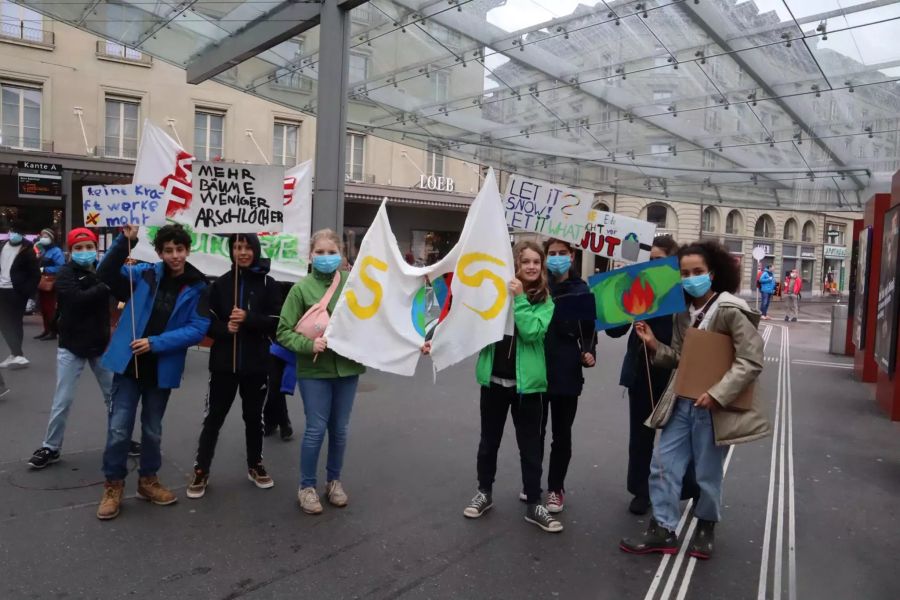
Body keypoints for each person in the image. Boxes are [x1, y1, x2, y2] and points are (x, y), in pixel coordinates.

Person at [620, 240, 768, 560]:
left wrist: (717, 394)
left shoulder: (730, 309)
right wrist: (652, 344)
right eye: (685, 273)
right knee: (663, 465)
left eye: (697, 271)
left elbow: (750, 360)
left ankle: (706, 523)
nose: (691, 278)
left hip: (713, 407)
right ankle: (663, 527)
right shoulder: (682, 313)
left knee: (707, 471)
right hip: (681, 402)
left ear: (713, 273)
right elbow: (679, 359)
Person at [95, 224, 210, 520]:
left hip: (160, 367)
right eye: (168, 251)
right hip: (127, 364)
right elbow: (105, 273)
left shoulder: (198, 286)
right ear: (159, 253)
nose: (175, 256)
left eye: (180, 250)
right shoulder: (144, 273)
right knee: (119, 428)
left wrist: (154, 343)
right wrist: (125, 240)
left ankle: (148, 480)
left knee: (152, 430)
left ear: (187, 250)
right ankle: (113, 485)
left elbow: (197, 329)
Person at [461, 240, 561, 533]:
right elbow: (470, 323)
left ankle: (534, 503)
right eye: (525, 261)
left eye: (536, 262)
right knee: (488, 442)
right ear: (515, 265)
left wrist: (518, 299)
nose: (531, 266)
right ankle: (484, 493)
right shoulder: (496, 293)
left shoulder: (545, 301)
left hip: (528, 387)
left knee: (530, 447)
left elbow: (531, 332)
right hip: (493, 382)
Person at [606, 236, 700, 515]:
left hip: (675, 373)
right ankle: (640, 491)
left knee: (682, 436)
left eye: (661, 261)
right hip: (641, 372)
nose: (654, 266)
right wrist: (617, 297)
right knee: (641, 436)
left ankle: (690, 487)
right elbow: (613, 331)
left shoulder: (683, 293)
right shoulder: (640, 286)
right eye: (651, 261)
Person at [277, 229, 365, 515]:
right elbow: (283, 332)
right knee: (315, 429)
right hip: (314, 371)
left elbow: (373, 316)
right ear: (310, 256)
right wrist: (308, 344)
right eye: (320, 252)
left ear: (341, 255)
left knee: (339, 430)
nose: (326, 257)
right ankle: (306, 487)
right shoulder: (300, 289)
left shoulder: (353, 285)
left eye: (331, 252)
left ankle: (334, 482)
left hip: (347, 369)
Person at [187, 234, 282, 499]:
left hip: (256, 365)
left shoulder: (269, 283)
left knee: (254, 418)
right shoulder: (220, 285)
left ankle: (255, 465)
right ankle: (201, 469)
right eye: (237, 247)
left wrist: (249, 318)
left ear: (255, 250)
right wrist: (225, 329)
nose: (242, 252)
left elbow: (276, 320)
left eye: (247, 247)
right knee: (213, 418)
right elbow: (208, 322)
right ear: (230, 251)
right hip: (223, 365)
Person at [27, 229, 115, 468]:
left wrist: (129, 241)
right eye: (79, 248)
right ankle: (50, 447)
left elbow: (118, 279)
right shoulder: (65, 274)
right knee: (62, 399)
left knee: (113, 397)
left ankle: (121, 440)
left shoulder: (103, 271)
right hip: (71, 346)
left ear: (96, 248)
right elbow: (77, 299)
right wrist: (103, 286)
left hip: (99, 345)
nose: (85, 252)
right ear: (70, 251)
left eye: (89, 247)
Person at [538, 238, 596, 514]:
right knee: (534, 433)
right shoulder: (537, 286)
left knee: (561, 435)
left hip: (566, 373)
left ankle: (555, 488)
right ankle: (531, 481)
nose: (557, 257)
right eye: (552, 253)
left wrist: (588, 351)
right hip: (536, 369)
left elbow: (589, 329)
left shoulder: (581, 290)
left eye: (562, 253)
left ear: (572, 256)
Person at [0, 221, 40, 369]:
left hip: (16, 291)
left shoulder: (27, 250)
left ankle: (18, 355)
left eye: (18, 232)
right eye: (12, 230)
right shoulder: (2, 246)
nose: (14, 234)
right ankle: (15, 354)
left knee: (15, 322)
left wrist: (27, 292)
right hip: (1, 289)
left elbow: (35, 274)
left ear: (23, 235)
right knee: (3, 322)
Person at [35, 227, 66, 341]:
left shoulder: (56, 251)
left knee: (50, 308)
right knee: (43, 307)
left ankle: (53, 331)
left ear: (51, 238)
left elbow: (60, 267)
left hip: (51, 282)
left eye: (46, 236)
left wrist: (45, 269)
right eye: (42, 236)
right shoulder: (43, 250)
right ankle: (46, 329)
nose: (43, 238)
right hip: (42, 281)